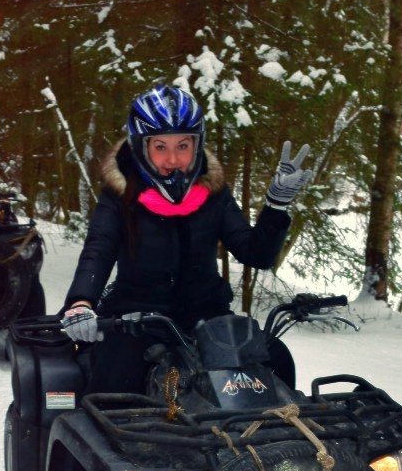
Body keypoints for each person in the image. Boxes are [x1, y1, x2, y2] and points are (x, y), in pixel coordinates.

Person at [60, 84, 313, 394]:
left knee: (276, 360)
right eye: (160, 147)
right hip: (138, 318)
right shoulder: (120, 196)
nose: (173, 159)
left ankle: (275, 439)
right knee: (115, 381)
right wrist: (81, 302)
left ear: (197, 144)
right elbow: (97, 251)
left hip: (208, 317)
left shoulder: (212, 192)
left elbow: (255, 254)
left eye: (183, 146)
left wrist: (276, 207)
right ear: (141, 147)